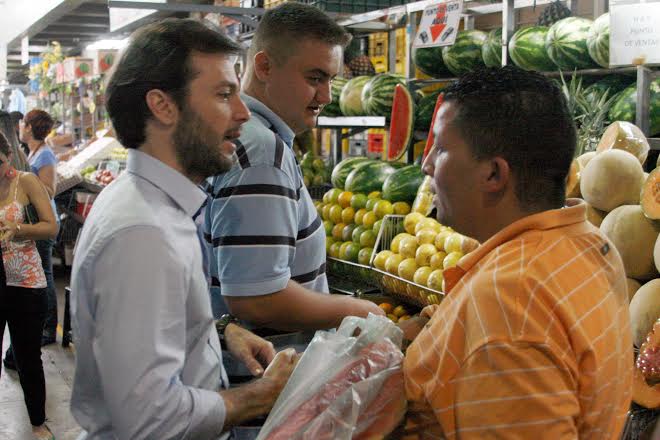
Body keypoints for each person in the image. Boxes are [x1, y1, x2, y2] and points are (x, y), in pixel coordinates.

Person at [70, 19, 298, 440]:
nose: (244, 113)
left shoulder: (151, 203)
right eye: (224, 94)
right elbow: (151, 419)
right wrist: (263, 394)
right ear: (163, 106)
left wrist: (213, 331)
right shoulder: (143, 233)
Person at [401, 66, 633, 438]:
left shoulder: (507, 304)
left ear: (494, 174)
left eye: (441, 149)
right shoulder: (589, 241)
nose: (427, 164)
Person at [204, 2, 384, 330]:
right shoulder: (261, 154)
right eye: (315, 78)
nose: (327, 95)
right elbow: (256, 299)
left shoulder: (252, 138)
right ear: (264, 66)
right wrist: (358, 310)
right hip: (266, 369)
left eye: (331, 79)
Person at [0, 131, 59, 440]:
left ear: (8, 157)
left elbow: (50, 226)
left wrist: (19, 229)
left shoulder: (26, 181)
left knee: (27, 358)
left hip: (25, 283)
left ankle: (38, 423)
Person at [18, 109, 59, 347]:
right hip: (34, 222)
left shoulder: (45, 156)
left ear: (31, 127)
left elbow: (50, 191)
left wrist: (27, 183)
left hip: (44, 222)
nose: (21, 127)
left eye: (24, 123)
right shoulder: (32, 153)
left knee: (45, 275)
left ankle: (49, 329)